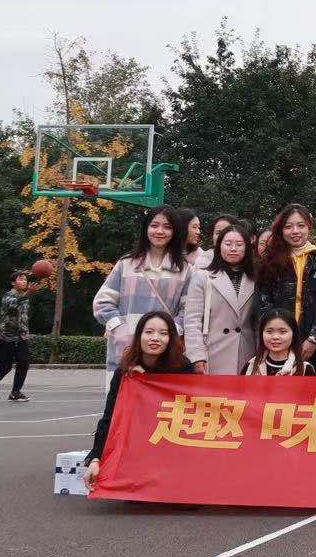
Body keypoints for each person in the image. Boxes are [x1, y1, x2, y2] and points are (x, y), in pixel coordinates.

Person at [82, 312, 193, 487]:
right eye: (148, 332)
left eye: (163, 333)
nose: (155, 338)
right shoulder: (124, 371)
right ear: (139, 336)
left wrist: (148, 383)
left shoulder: (183, 367)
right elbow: (110, 417)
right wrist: (96, 458)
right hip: (136, 442)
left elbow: (190, 414)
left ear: (171, 338)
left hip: (171, 441)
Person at [93, 207, 194, 385]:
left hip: (164, 355)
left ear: (175, 231)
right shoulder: (126, 264)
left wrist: (171, 332)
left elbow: (188, 311)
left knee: (160, 400)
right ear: (146, 228)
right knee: (121, 399)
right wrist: (120, 329)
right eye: (154, 225)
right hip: (127, 350)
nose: (160, 231)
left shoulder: (185, 270)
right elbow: (102, 302)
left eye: (167, 227)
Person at [255, 203, 316, 370]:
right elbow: (263, 302)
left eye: (301, 226)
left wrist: (313, 339)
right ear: (281, 230)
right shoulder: (270, 261)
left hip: (313, 346)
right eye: (288, 227)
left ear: (309, 227)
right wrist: (276, 334)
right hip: (276, 343)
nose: (295, 231)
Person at [184, 220, 258, 375]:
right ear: (219, 247)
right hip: (212, 352)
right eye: (228, 244)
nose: (233, 248)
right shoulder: (203, 277)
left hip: (247, 353)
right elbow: (192, 320)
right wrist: (196, 355)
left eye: (239, 244)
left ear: (247, 247)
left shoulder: (257, 278)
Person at [0, 269, 33, 401]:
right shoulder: (7, 297)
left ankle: (15, 392)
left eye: (25, 279)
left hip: (22, 336)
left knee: (24, 363)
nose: (24, 281)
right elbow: (14, 304)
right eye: (20, 279)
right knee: (5, 367)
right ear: (13, 283)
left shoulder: (25, 297)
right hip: (6, 337)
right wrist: (28, 294)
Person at [246, 309, 314, 375]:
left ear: (294, 334)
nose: (275, 337)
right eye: (269, 331)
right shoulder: (250, 366)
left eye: (283, 332)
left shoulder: (305, 369)